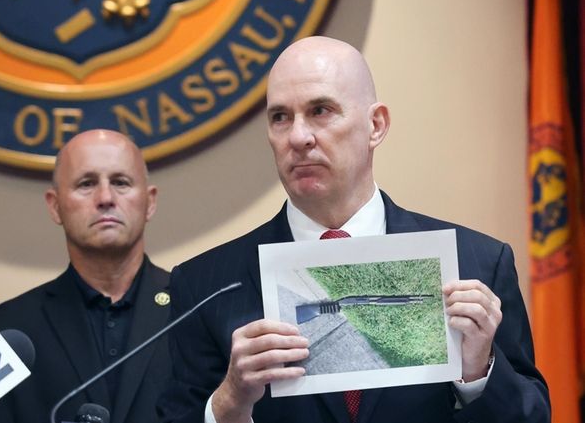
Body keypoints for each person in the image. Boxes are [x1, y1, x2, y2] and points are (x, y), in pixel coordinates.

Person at [157, 37, 550, 423]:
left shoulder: (478, 262)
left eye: (320, 110)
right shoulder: (204, 285)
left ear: (375, 125)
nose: (298, 136)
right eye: (280, 117)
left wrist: (478, 372)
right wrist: (228, 402)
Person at [0, 129, 171, 423]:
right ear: (55, 206)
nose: (105, 198)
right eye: (86, 184)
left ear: (150, 202)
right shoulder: (2, 330)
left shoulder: (195, 308)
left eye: (120, 182)